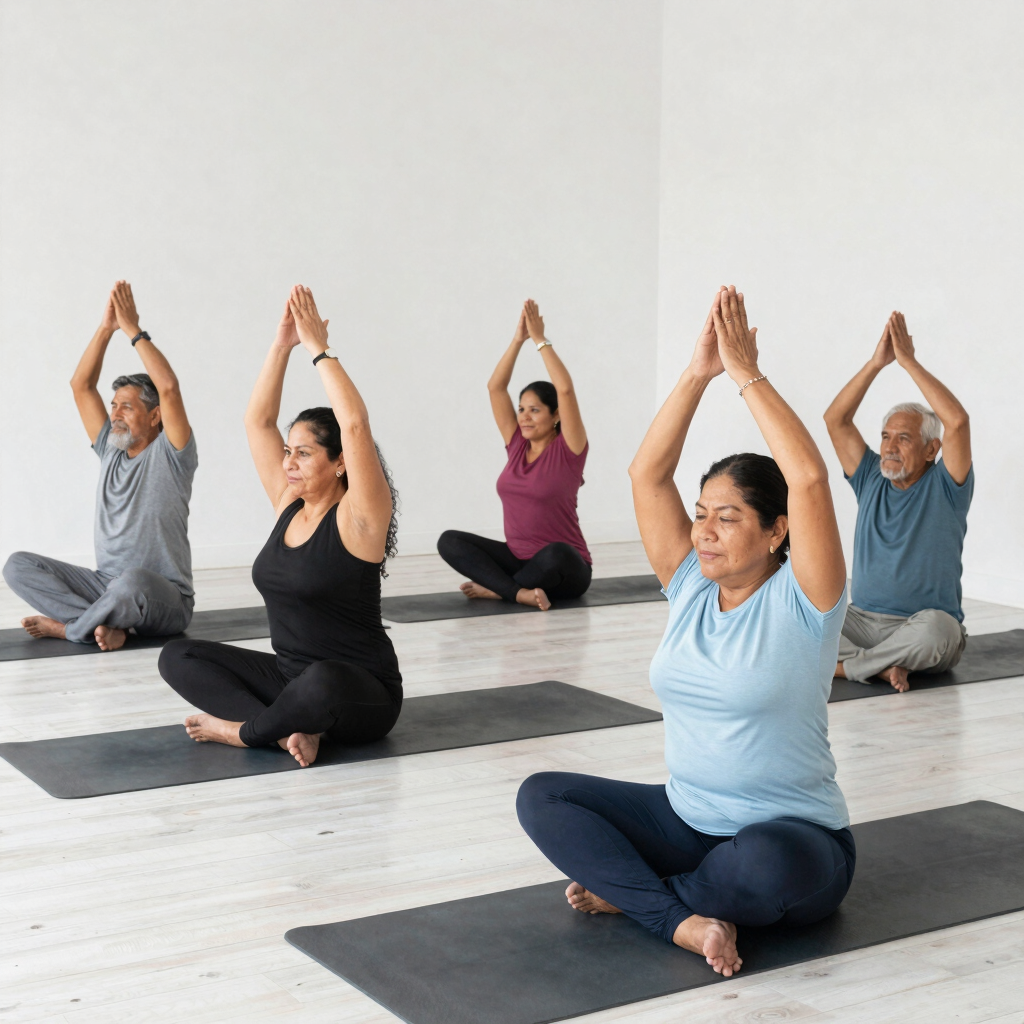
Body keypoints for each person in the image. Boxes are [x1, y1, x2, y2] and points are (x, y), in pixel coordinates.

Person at [517, 287, 854, 977]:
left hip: (794, 838)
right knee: (543, 797)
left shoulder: (807, 600)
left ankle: (647, 900)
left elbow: (811, 479)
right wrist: (698, 372)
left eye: (727, 518)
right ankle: (682, 916)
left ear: (777, 531)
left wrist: (745, 374)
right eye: (701, 513)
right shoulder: (692, 586)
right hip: (683, 824)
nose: (703, 530)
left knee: (761, 863)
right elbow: (647, 474)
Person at [157, 285, 401, 767]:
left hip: (360, 694)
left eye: (304, 452)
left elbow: (354, 425)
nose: (288, 462)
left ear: (340, 464)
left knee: (322, 681)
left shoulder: (360, 518)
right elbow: (257, 421)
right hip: (292, 682)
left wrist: (318, 350)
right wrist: (282, 344)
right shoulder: (289, 503)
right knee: (178, 657)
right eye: (288, 451)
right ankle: (287, 731)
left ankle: (244, 732)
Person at [2, 281, 197, 651]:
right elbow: (80, 385)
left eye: (127, 406)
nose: (115, 414)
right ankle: (106, 624)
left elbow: (169, 387)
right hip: (106, 585)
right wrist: (106, 328)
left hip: (164, 597)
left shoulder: (173, 455)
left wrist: (133, 330)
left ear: (156, 416)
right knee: (16, 566)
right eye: (113, 405)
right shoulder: (111, 450)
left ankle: (71, 629)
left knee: (132, 582)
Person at [823, 311, 972, 692]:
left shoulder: (946, 486)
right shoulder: (871, 476)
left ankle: (849, 668)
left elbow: (956, 422)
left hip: (920, 627)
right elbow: (835, 419)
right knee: (801, 612)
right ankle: (881, 665)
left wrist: (908, 362)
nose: (889, 447)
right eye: (886, 436)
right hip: (862, 623)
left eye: (903, 438)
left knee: (940, 629)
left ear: (930, 449)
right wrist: (877, 364)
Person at [437, 300, 591, 611]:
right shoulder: (517, 444)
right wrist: (517, 340)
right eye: (521, 409)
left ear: (556, 416)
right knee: (449, 541)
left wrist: (539, 340)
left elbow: (566, 390)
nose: (524, 417)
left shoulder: (569, 450)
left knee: (556, 553)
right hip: (518, 559)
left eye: (535, 410)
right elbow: (496, 387)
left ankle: (500, 589)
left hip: (565, 569)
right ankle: (518, 591)